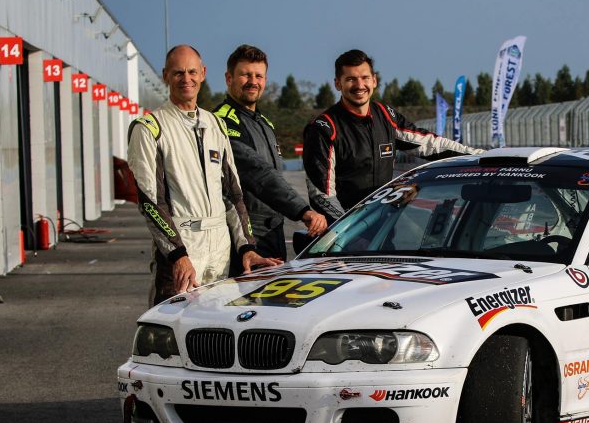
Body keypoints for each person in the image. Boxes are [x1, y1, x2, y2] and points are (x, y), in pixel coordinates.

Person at [127, 44, 280, 306]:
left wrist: (247, 247)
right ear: (166, 75)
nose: (186, 79)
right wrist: (178, 255)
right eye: (178, 73)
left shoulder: (215, 124)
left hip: (220, 250)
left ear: (203, 73)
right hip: (183, 249)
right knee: (171, 333)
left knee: (216, 334)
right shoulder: (150, 128)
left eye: (192, 72)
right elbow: (151, 202)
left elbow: (233, 194)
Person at [303, 49, 483, 222]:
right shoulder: (323, 128)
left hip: (380, 224)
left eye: (365, 78)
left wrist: (481, 155)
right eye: (350, 79)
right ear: (337, 84)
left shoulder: (386, 115)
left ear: (374, 80)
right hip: (342, 232)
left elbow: (430, 144)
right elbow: (322, 195)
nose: (359, 85)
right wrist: (348, 230)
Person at [214, 44, 326, 263]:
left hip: (274, 233)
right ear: (229, 78)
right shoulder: (221, 121)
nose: (253, 81)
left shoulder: (265, 124)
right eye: (245, 74)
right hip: (244, 239)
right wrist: (303, 211)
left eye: (259, 76)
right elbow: (259, 174)